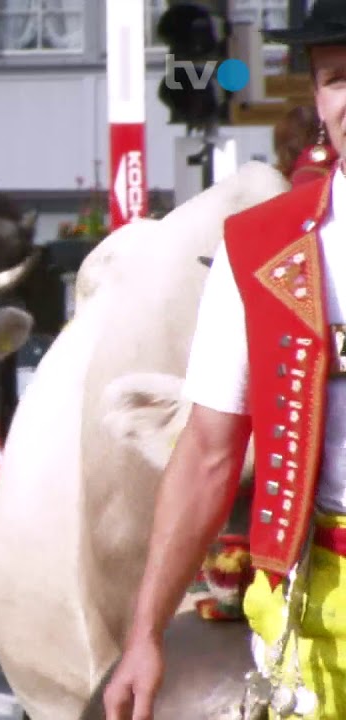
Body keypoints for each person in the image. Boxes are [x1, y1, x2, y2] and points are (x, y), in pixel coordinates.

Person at [103, 2, 346, 718]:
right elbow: (209, 451)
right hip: (313, 609)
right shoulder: (260, 248)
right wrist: (145, 633)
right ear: (316, 98)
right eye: (335, 79)